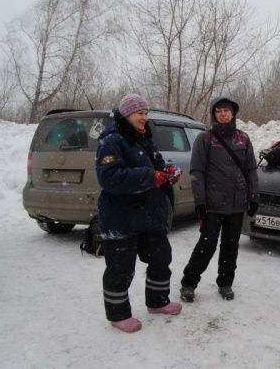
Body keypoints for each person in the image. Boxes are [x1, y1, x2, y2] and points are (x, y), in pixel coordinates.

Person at [96, 94, 183, 333]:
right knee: (120, 268)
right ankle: (118, 314)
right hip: (120, 217)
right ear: (126, 115)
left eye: (146, 113)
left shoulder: (144, 138)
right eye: (140, 113)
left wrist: (167, 171)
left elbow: (154, 164)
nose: (145, 117)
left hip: (148, 214)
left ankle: (157, 301)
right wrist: (148, 177)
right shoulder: (112, 141)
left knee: (160, 257)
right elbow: (108, 178)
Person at [180, 97, 259, 302]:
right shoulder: (205, 139)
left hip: (237, 203)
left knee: (231, 246)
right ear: (214, 115)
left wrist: (254, 197)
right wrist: (200, 202)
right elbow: (197, 172)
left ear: (233, 114)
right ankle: (188, 283)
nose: (223, 114)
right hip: (213, 203)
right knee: (206, 246)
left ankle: (225, 283)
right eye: (218, 111)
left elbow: (251, 169)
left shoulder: (244, 139)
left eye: (227, 110)